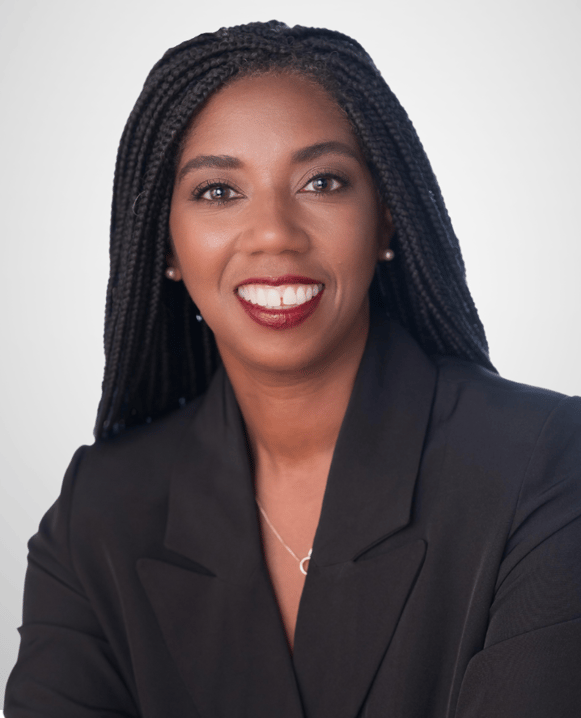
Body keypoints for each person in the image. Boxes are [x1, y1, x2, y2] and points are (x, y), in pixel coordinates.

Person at [5, 19, 581, 718]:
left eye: (322, 181)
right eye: (219, 191)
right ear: (167, 245)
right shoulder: (97, 513)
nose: (275, 232)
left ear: (386, 218)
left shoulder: (545, 462)